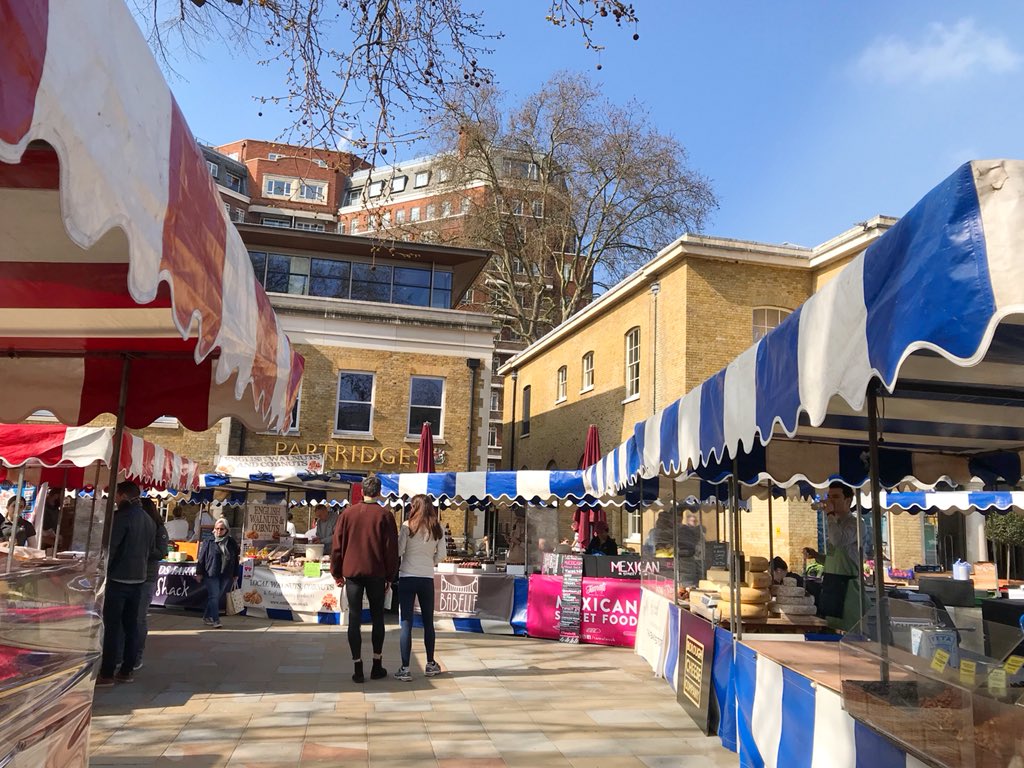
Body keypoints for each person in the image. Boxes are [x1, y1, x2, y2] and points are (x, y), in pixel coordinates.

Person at [330, 475, 398, 684]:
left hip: (352, 573)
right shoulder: (385, 515)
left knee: (355, 618)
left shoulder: (347, 514)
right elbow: (391, 550)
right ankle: (376, 664)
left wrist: (336, 572)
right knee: (378, 617)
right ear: (379, 492)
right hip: (376, 573)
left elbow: (337, 546)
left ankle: (357, 665)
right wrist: (390, 576)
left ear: (362, 492)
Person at [97, 481, 158, 686]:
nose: (114, 499)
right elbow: (150, 550)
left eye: (116, 495)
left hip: (118, 579)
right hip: (139, 579)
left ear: (123, 495)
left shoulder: (122, 518)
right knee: (131, 627)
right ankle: (127, 670)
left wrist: (102, 572)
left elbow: (111, 549)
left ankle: (107, 673)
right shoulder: (149, 520)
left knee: (113, 628)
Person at [394, 494, 447, 681]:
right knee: (428, 622)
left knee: (406, 622)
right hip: (426, 577)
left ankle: (405, 667)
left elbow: (399, 551)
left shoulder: (407, 526)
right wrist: (429, 562)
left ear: (414, 507)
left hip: (407, 575)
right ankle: (431, 663)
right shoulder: (437, 527)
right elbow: (442, 554)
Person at [803, 481, 861, 631]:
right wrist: (816, 555)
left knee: (847, 631)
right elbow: (833, 557)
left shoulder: (855, 524)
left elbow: (838, 540)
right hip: (831, 586)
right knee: (829, 628)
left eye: (835, 497)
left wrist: (829, 514)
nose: (830, 501)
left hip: (847, 589)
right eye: (829, 497)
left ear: (848, 500)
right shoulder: (835, 524)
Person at [136, 499, 169, 668]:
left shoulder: (158, 528)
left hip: (147, 576)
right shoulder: (138, 527)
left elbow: (162, 552)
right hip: (133, 574)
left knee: (139, 618)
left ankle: (137, 656)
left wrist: (143, 550)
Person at [195, 518, 239, 629]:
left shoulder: (231, 542)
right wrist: (199, 572)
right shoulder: (209, 540)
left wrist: (235, 573)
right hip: (211, 572)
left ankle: (206, 616)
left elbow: (235, 559)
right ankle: (216, 620)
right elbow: (201, 557)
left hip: (225, 573)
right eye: (217, 528)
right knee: (214, 596)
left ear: (226, 529)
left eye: (221, 529)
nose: (219, 531)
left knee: (217, 596)